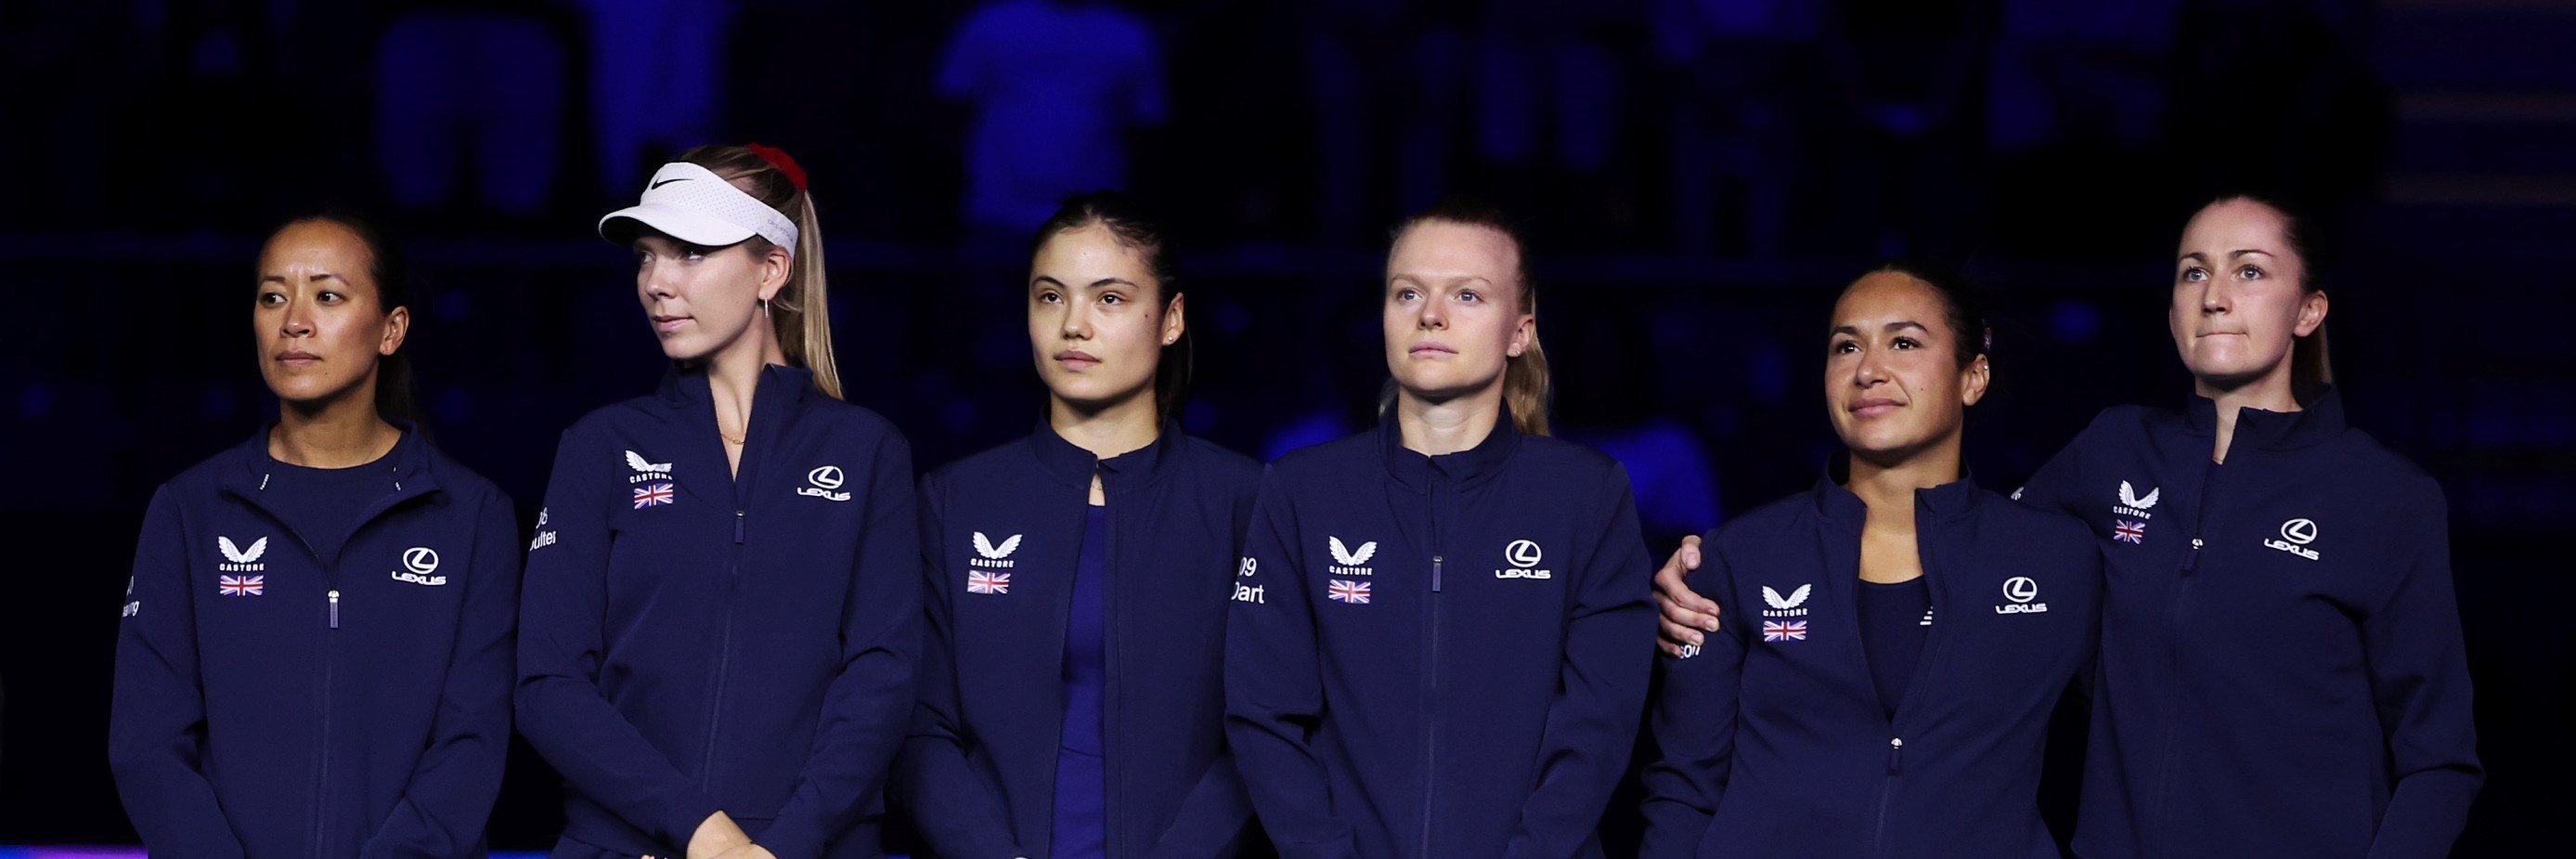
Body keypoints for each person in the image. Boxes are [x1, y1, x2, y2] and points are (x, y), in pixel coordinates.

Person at [1650, 196, 2482, 856]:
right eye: (2192, 272)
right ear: (2168, 309)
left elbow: (2439, 758)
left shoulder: (2385, 498)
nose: (2215, 294)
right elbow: (1966, 539)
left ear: (2308, 310)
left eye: (2250, 270)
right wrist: (1706, 566)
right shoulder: (2113, 450)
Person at [516, 144, 919, 859]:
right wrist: (710, 838)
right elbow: (548, 683)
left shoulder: (866, 451)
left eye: (691, 251)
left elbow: (881, 677)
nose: (657, 283)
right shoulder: (600, 444)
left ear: (772, 269)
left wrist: (784, 845)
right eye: (646, 255)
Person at [1224, 201, 1653, 858]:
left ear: (1519, 331)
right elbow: (1265, 714)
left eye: (1467, 294)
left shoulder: (1586, 493)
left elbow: (1598, 723)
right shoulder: (1300, 490)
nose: (1430, 313)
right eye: (1407, 292)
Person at [1635, 264, 2100, 856]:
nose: (1868, 370)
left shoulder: (2059, 559)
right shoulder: (1736, 559)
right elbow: (1683, 785)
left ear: (1973, 376)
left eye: (1904, 342)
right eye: (1846, 346)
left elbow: (2140, 736)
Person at [111, 212, 520, 857]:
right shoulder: (190, 509)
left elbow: (473, 742)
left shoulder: (471, 514)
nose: (293, 320)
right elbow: (146, 742)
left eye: (327, 295)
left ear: (391, 330)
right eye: (273, 295)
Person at [902, 190, 1261, 859]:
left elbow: (1266, 729)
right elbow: (921, 726)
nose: (1074, 324)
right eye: (1049, 296)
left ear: (1172, 317)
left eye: (1110, 299)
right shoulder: (955, 500)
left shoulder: (1248, 502)